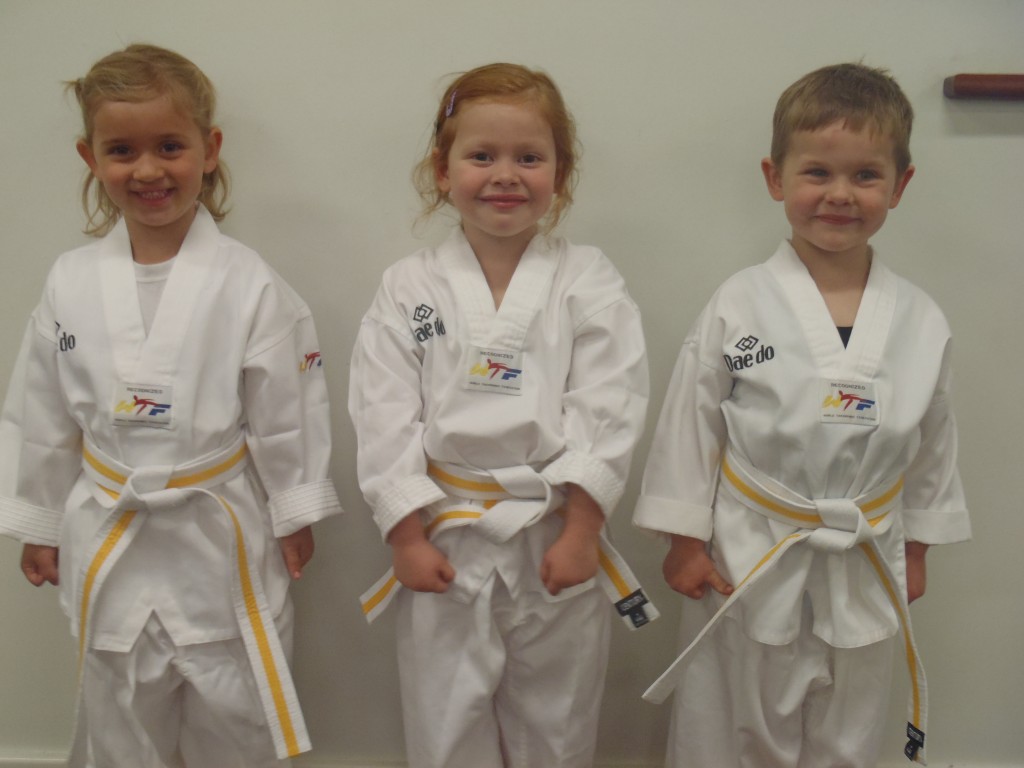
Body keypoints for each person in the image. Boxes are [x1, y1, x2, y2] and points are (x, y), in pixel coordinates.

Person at [0, 44, 342, 767]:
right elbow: (41, 408)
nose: (148, 170)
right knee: (121, 698)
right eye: (121, 150)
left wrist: (296, 507)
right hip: (109, 524)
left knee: (236, 699)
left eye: (169, 146)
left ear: (209, 149)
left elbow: (287, 404)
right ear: (90, 158)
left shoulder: (248, 281)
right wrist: (37, 518)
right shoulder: (70, 281)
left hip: (216, 531)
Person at [634, 63, 970, 767]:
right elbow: (691, 421)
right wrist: (683, 540)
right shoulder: (740, 301)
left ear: (900, 185)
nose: (840, 195)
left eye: (866, 176)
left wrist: (918, 548)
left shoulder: (920, 318)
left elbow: (934, 441)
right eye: (817, 172)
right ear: (775, 177)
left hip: (867, 547)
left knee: (850, 720)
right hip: (752, 544)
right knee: (735, 714)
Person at [349, 63, 655, 768]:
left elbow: (610, 402)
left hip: (554, 528)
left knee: (558, 717)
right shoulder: (408, 286)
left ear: (560, 170)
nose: (504, 176)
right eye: (481, 156)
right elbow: (382, 410)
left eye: (529, 158)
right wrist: (404, 533)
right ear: (443, 167)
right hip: (444, 533)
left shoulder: (589, 279)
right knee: (443, 716)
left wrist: (583, 529)